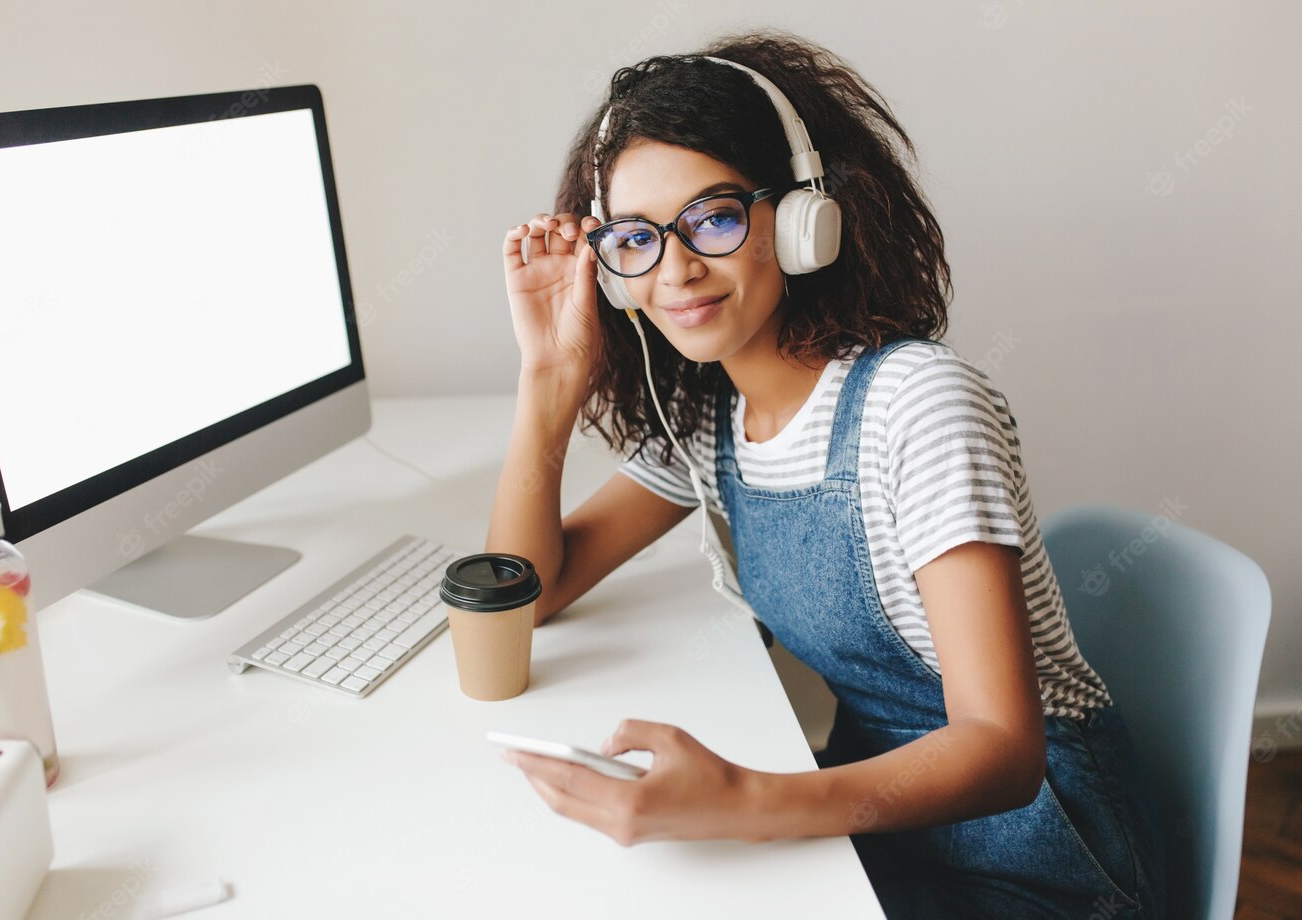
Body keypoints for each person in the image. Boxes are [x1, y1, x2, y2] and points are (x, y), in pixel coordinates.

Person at [490, 29, 1164, 919]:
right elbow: (531, 592)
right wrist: (548, 385)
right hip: (871, 818)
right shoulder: (709, 412)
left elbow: (1003, 748)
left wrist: (748, 805)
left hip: (1038, 853)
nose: (678, 268)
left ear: (806, 219)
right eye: (637, 239)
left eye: (717, 217)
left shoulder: (919, 406)